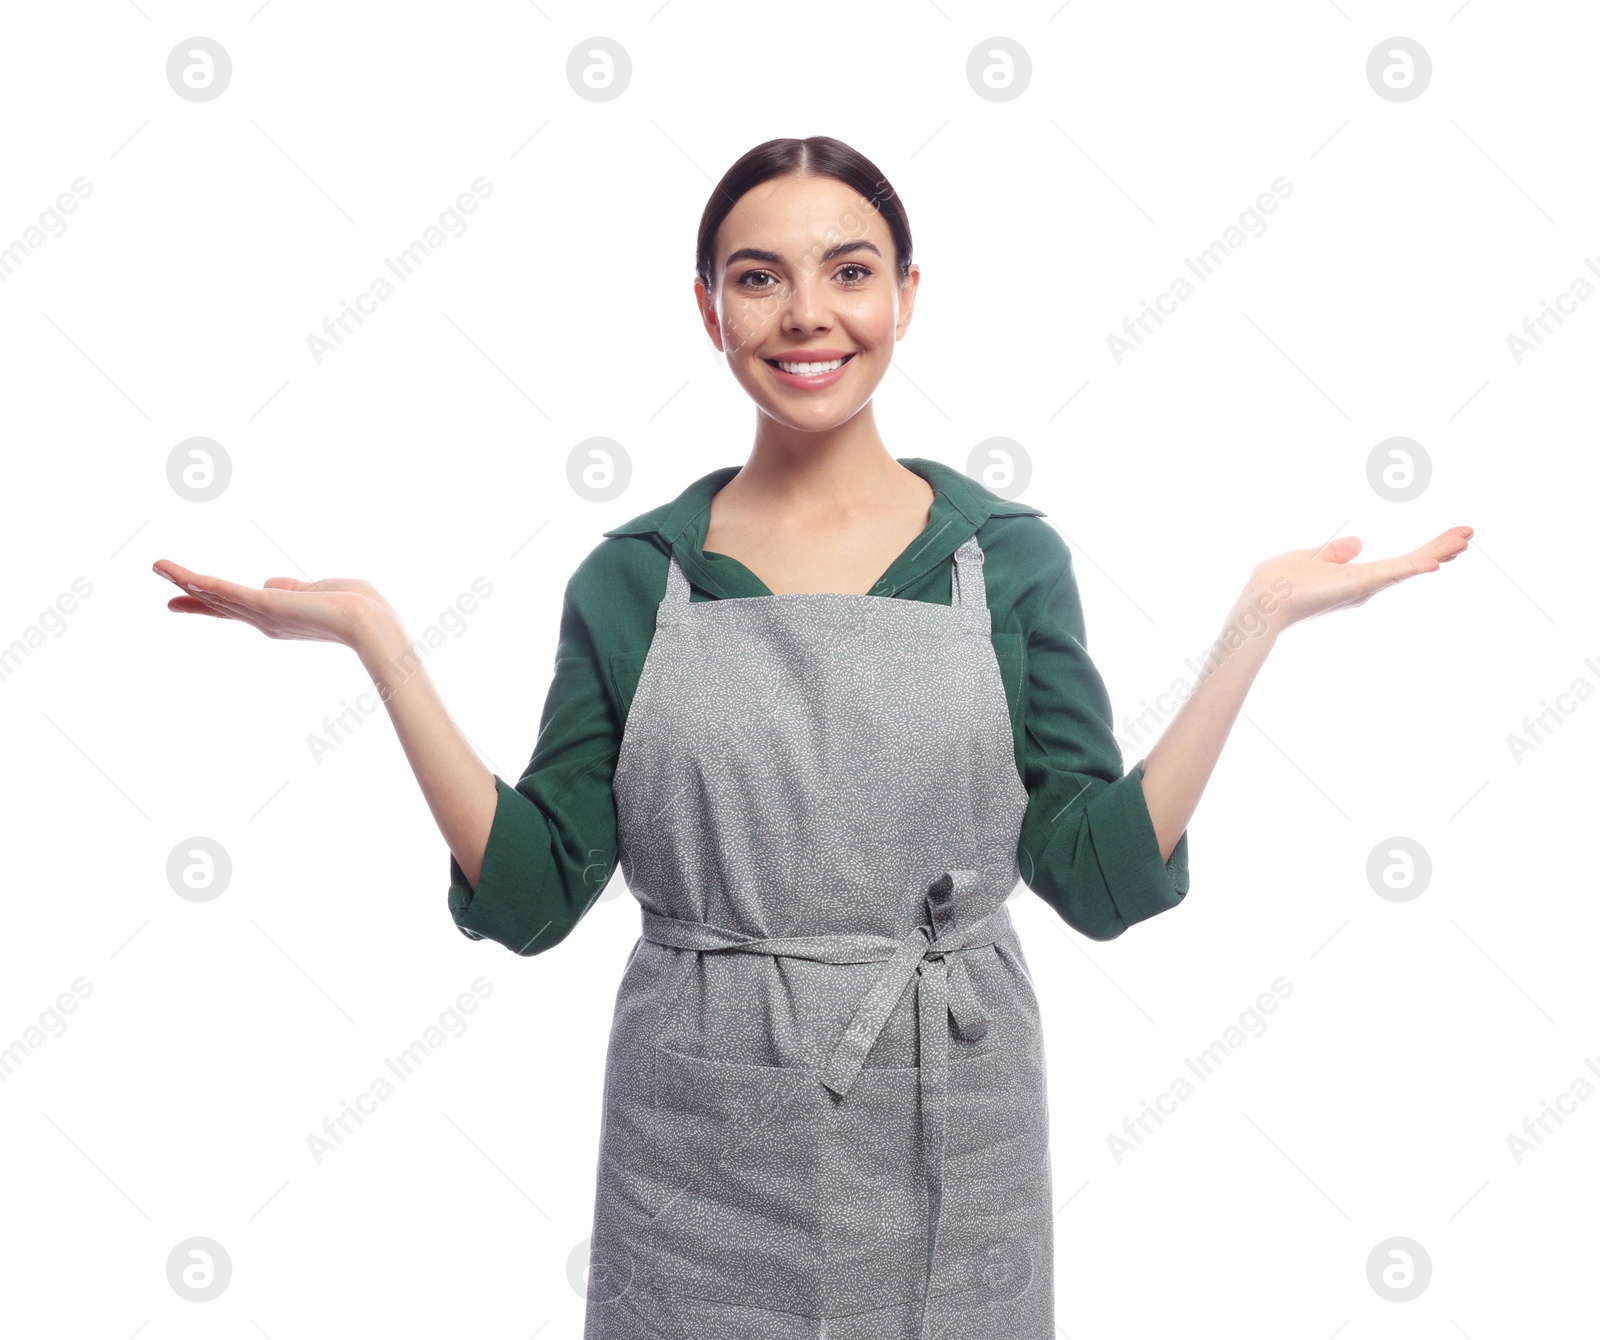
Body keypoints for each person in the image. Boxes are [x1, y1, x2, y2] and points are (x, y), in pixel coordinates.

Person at [153, 136, 1473, 1339]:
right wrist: (382, 644)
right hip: (699, 1122)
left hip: (950, 1090)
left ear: (906, 294)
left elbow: (1099, 878)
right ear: (707, 309)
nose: (807, 315)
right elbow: (530, 897)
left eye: (848, 271)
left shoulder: (1003, 563)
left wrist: (1256, 626)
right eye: (757, 277)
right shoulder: (634, 578)